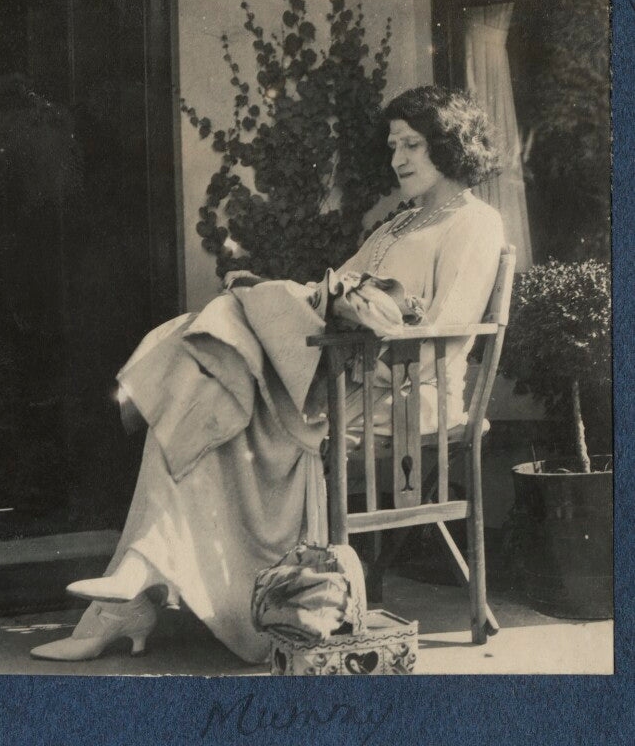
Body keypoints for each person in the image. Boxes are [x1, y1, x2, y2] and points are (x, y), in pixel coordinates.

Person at [30, 85, 505, 664]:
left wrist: (364, 320)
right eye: (393, 146)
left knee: (215, 390)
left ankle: (140, 583)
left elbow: (450, 332)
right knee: (209, 393)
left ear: (450, 146)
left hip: (406, 393)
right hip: (343, 378)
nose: (398, 158)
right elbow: (332, 292)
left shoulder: (476, 224)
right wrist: (310, 300)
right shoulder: (395, 225)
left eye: (412, 145)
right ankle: (136, 577)